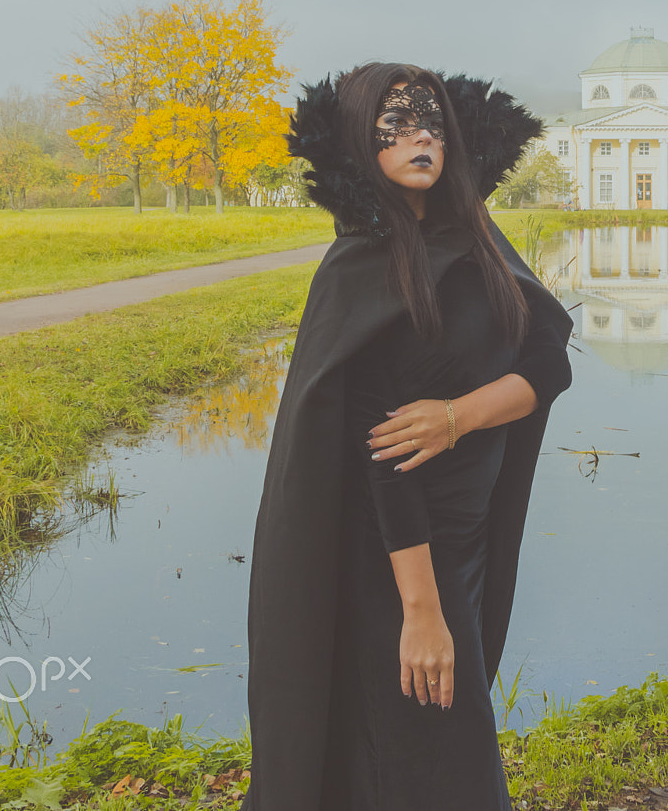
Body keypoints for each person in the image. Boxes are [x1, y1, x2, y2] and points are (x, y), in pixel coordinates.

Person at [242, 63, 573, 809]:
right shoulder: (358, 266)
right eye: (394, 121)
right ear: (363, 141)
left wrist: (461, 414)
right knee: (424, 762)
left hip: (465, 542)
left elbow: (548, 361)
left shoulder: (480, 245)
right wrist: (420, 612)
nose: (420, 133)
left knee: (440, 755)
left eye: (431, 119)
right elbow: (381, 452)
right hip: (398, 558)